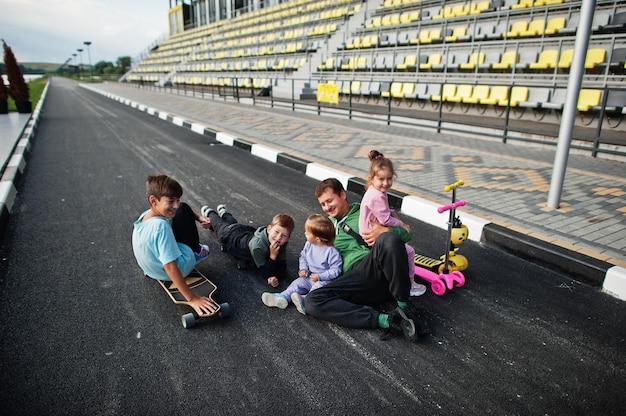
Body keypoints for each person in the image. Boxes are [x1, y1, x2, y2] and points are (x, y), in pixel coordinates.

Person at [304, 178, 428, 342]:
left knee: (387, 239)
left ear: (342, 194)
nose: (327, 207)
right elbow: (311, 251)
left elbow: (406, 234)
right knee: (313, 301)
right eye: (323, 204)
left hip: (376, 266)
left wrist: (385, 230)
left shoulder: (366, 211)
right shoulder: (326, 226)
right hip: (354, 281)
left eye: (330, 200)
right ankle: (389, 320)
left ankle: (405, 307)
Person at [132, 174, 218, 316]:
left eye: (177, 200)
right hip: (176, 268)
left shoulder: (145, 216)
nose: (176, 205)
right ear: (154, 200)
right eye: (171, 201)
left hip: (151, 269)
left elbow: (180, 208)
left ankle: (185, 249)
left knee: (182, 210)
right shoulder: (161, 227)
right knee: (183, 211)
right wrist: (192, 298)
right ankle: (196, 253)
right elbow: (170, 266)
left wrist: (199, 217)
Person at [359, 150, 426, 297]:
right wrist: (402, 224)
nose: (386, 183)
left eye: (389, 179)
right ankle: (409, 284)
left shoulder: (373, 190)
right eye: (381, 179)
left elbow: (382, 212)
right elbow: (385, 220)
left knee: (401, 248)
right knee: (409, 251)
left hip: (369, 229)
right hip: (372, 234)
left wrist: (391, 212)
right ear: (372, 178)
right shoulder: (377, 196)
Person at [261, 214, 342, 313]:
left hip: (324, 281)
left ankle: (305, 300)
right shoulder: (309, 244)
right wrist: (303, 269)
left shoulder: (331, 252)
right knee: (297, 284)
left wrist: (320, 276)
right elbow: (303, 257)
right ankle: (283, 296)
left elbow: (336, 270)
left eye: (308, 233)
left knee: (317, 289)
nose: (305, 234)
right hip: (309, 277)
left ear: (317, 238)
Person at [201, 204, 294, 288]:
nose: (278, 238)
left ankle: (224, 213)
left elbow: (282, 265)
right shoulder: (257, 246)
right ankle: (209, 212)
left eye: (283, 236)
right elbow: (265, 272)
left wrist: (276, 276)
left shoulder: (281, 242)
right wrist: (273, 257)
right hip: (230, 237)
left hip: (243, 231)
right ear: (269, 229)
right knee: (218, 224)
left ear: (288, 238)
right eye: (276, 232)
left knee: (232, 223)